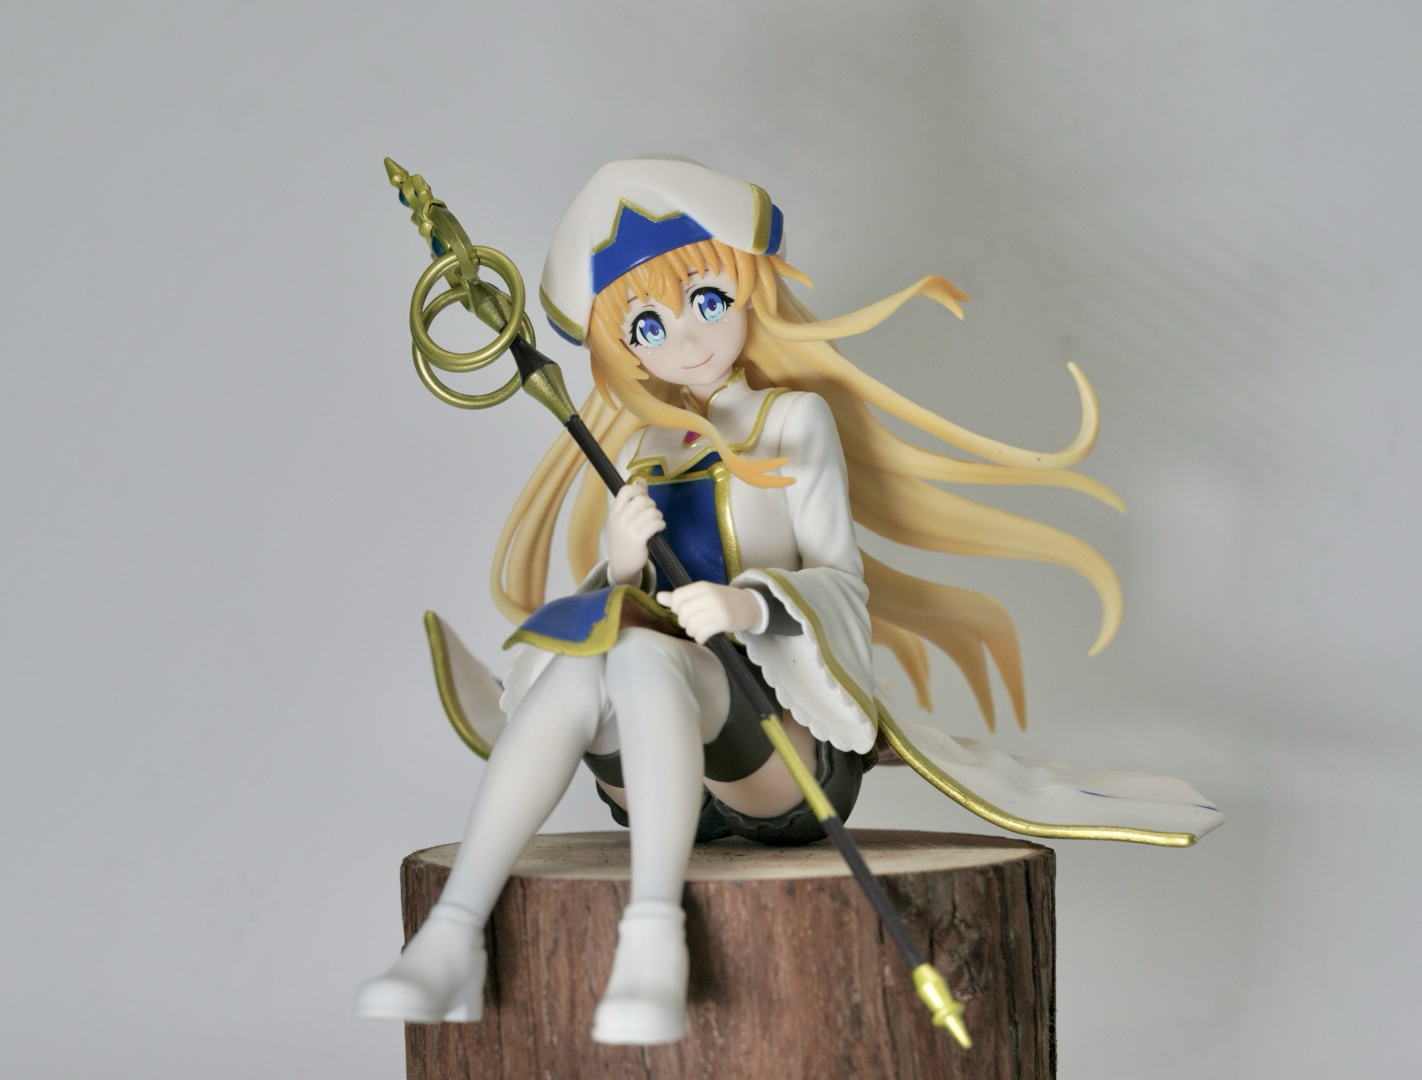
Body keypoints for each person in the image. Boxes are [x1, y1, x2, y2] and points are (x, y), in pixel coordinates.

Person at [356, 156, 1222, 1045]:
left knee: (644, 660)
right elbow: (623, 612)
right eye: (648, 325)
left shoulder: (794, 421)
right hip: (663, 772)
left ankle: (654, 940)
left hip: (781, 753)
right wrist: (620, 567)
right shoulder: (648, 446)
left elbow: (841, 582)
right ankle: (454, 936)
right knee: (593, 666)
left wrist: (750, 607)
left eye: (705, 300)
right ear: (626, 351)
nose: (687, 340)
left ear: (748, 289)